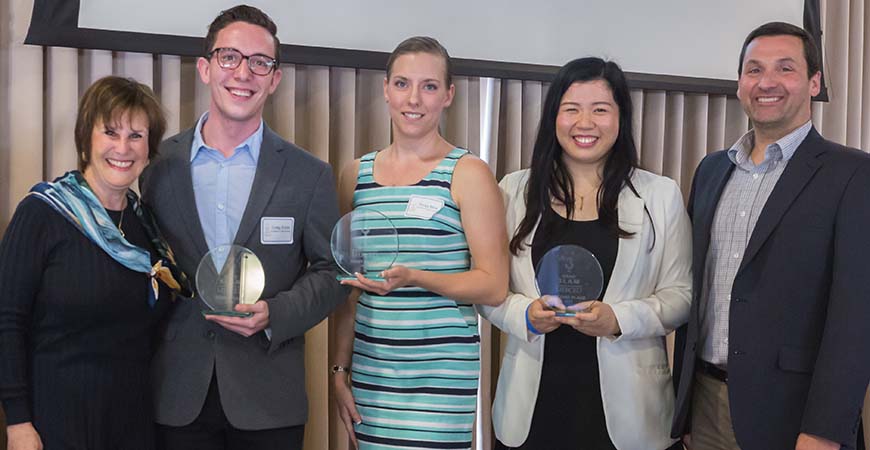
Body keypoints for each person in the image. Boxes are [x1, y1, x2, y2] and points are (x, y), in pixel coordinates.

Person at [139, 5, 347, 450]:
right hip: (176, 392)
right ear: (205, 68)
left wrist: (278, 313)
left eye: (260, 63)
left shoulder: (308, 175)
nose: (244, 73)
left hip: (269, 399)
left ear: (274, 79)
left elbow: (334, 272)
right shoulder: (157, 166)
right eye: (230, 57)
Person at [671, 21, 870, 450]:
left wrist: (823, 431)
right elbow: (696, 295)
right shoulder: (710, 171)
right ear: (740, 82)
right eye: (754, 69)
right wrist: (684, 407)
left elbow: (857, 319)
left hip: (794, 417)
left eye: (785, 68)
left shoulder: (853, 174)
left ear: (814, 82)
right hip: (704, 406)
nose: (767, 82)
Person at [478, 57, 692, 450]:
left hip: (631, 414)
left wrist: (618, 319)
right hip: (531, 407)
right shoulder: (512, 192)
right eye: (571, 109)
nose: (585, 123)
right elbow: (488, 292)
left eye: (600, 110)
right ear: (553, 117)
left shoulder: (660, 195)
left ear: (621, 118)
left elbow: (681, 296)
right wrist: (523, 314)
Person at [331, 36, 509, 450]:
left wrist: (416, 276)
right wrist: (340, 370)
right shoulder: (354, 174)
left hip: (441, 377)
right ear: (385, 89)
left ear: (448, 95)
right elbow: (347, 289)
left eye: (429, 86)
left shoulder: (467, 172)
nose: (414, 98)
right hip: (373, 374)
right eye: (402, 84)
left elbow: (493, 284)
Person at [0, 76, 189, 450]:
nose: (123, 147)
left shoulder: (146, 226)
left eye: (136, 135)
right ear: (86, 139)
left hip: (132, 423)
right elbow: (7, 321)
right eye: (111, 132)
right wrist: (18, 421)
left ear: (149, 149)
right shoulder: (42, 214)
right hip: (54, 422)